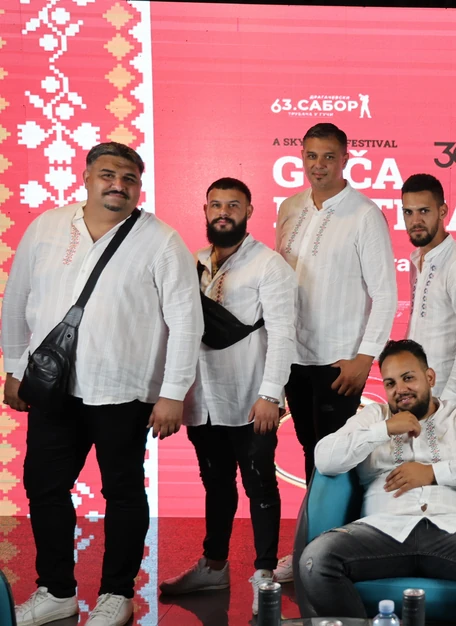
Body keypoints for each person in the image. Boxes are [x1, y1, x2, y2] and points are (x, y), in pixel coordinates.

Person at [2, 142, 202, 626]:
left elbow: (186, 321)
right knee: (44, 487)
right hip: (53, 388)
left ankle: (117, 593)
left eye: (129, 178)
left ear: (139, 186)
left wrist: (173, 393)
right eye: (108, 174)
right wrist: (13, 367)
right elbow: (16, 298)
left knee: (123, 491)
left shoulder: (162, 240)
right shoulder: (47, 227)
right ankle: (56, 591)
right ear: (87, 177)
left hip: (124, 390)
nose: (118, 185)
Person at [296, 339, 456, 625]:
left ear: (430, 377)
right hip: (381, 531)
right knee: (316, 560)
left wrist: (433, 473)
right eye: (390, 383)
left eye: (408, 378)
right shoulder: (375, 416)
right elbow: (325, 458)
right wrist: (383, 430)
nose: (400, 389)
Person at [158, 178, 297, 614]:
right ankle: (214, 565)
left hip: (251, 396)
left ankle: (264, 574)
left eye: (233, 205)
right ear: (205, 210)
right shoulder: (192, 263)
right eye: (216, 204)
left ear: (249, 211)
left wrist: (271, 395)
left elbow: (284, 334)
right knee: (215, 483)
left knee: (259, 483)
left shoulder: (269, 265)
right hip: (203, 397)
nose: (223, 212)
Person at [274, 123, 396, 581]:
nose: (318, 165)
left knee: (338, 460)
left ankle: (341, 554)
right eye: (311, 156)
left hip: (339, 361)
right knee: (312, 454)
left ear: (346, 159)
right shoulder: (289, 209)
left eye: (328, 156)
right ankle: (316, 548)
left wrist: (364, 357)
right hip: (293, 357)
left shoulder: (364, 214)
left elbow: (385, 293)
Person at [402, 173, 456, 403]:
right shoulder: (417, 259)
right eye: (408, 212)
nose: (415, 220)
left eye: (424, 211)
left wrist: (449, 402)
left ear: (442, 211)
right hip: (418, 395)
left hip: (448, 400)